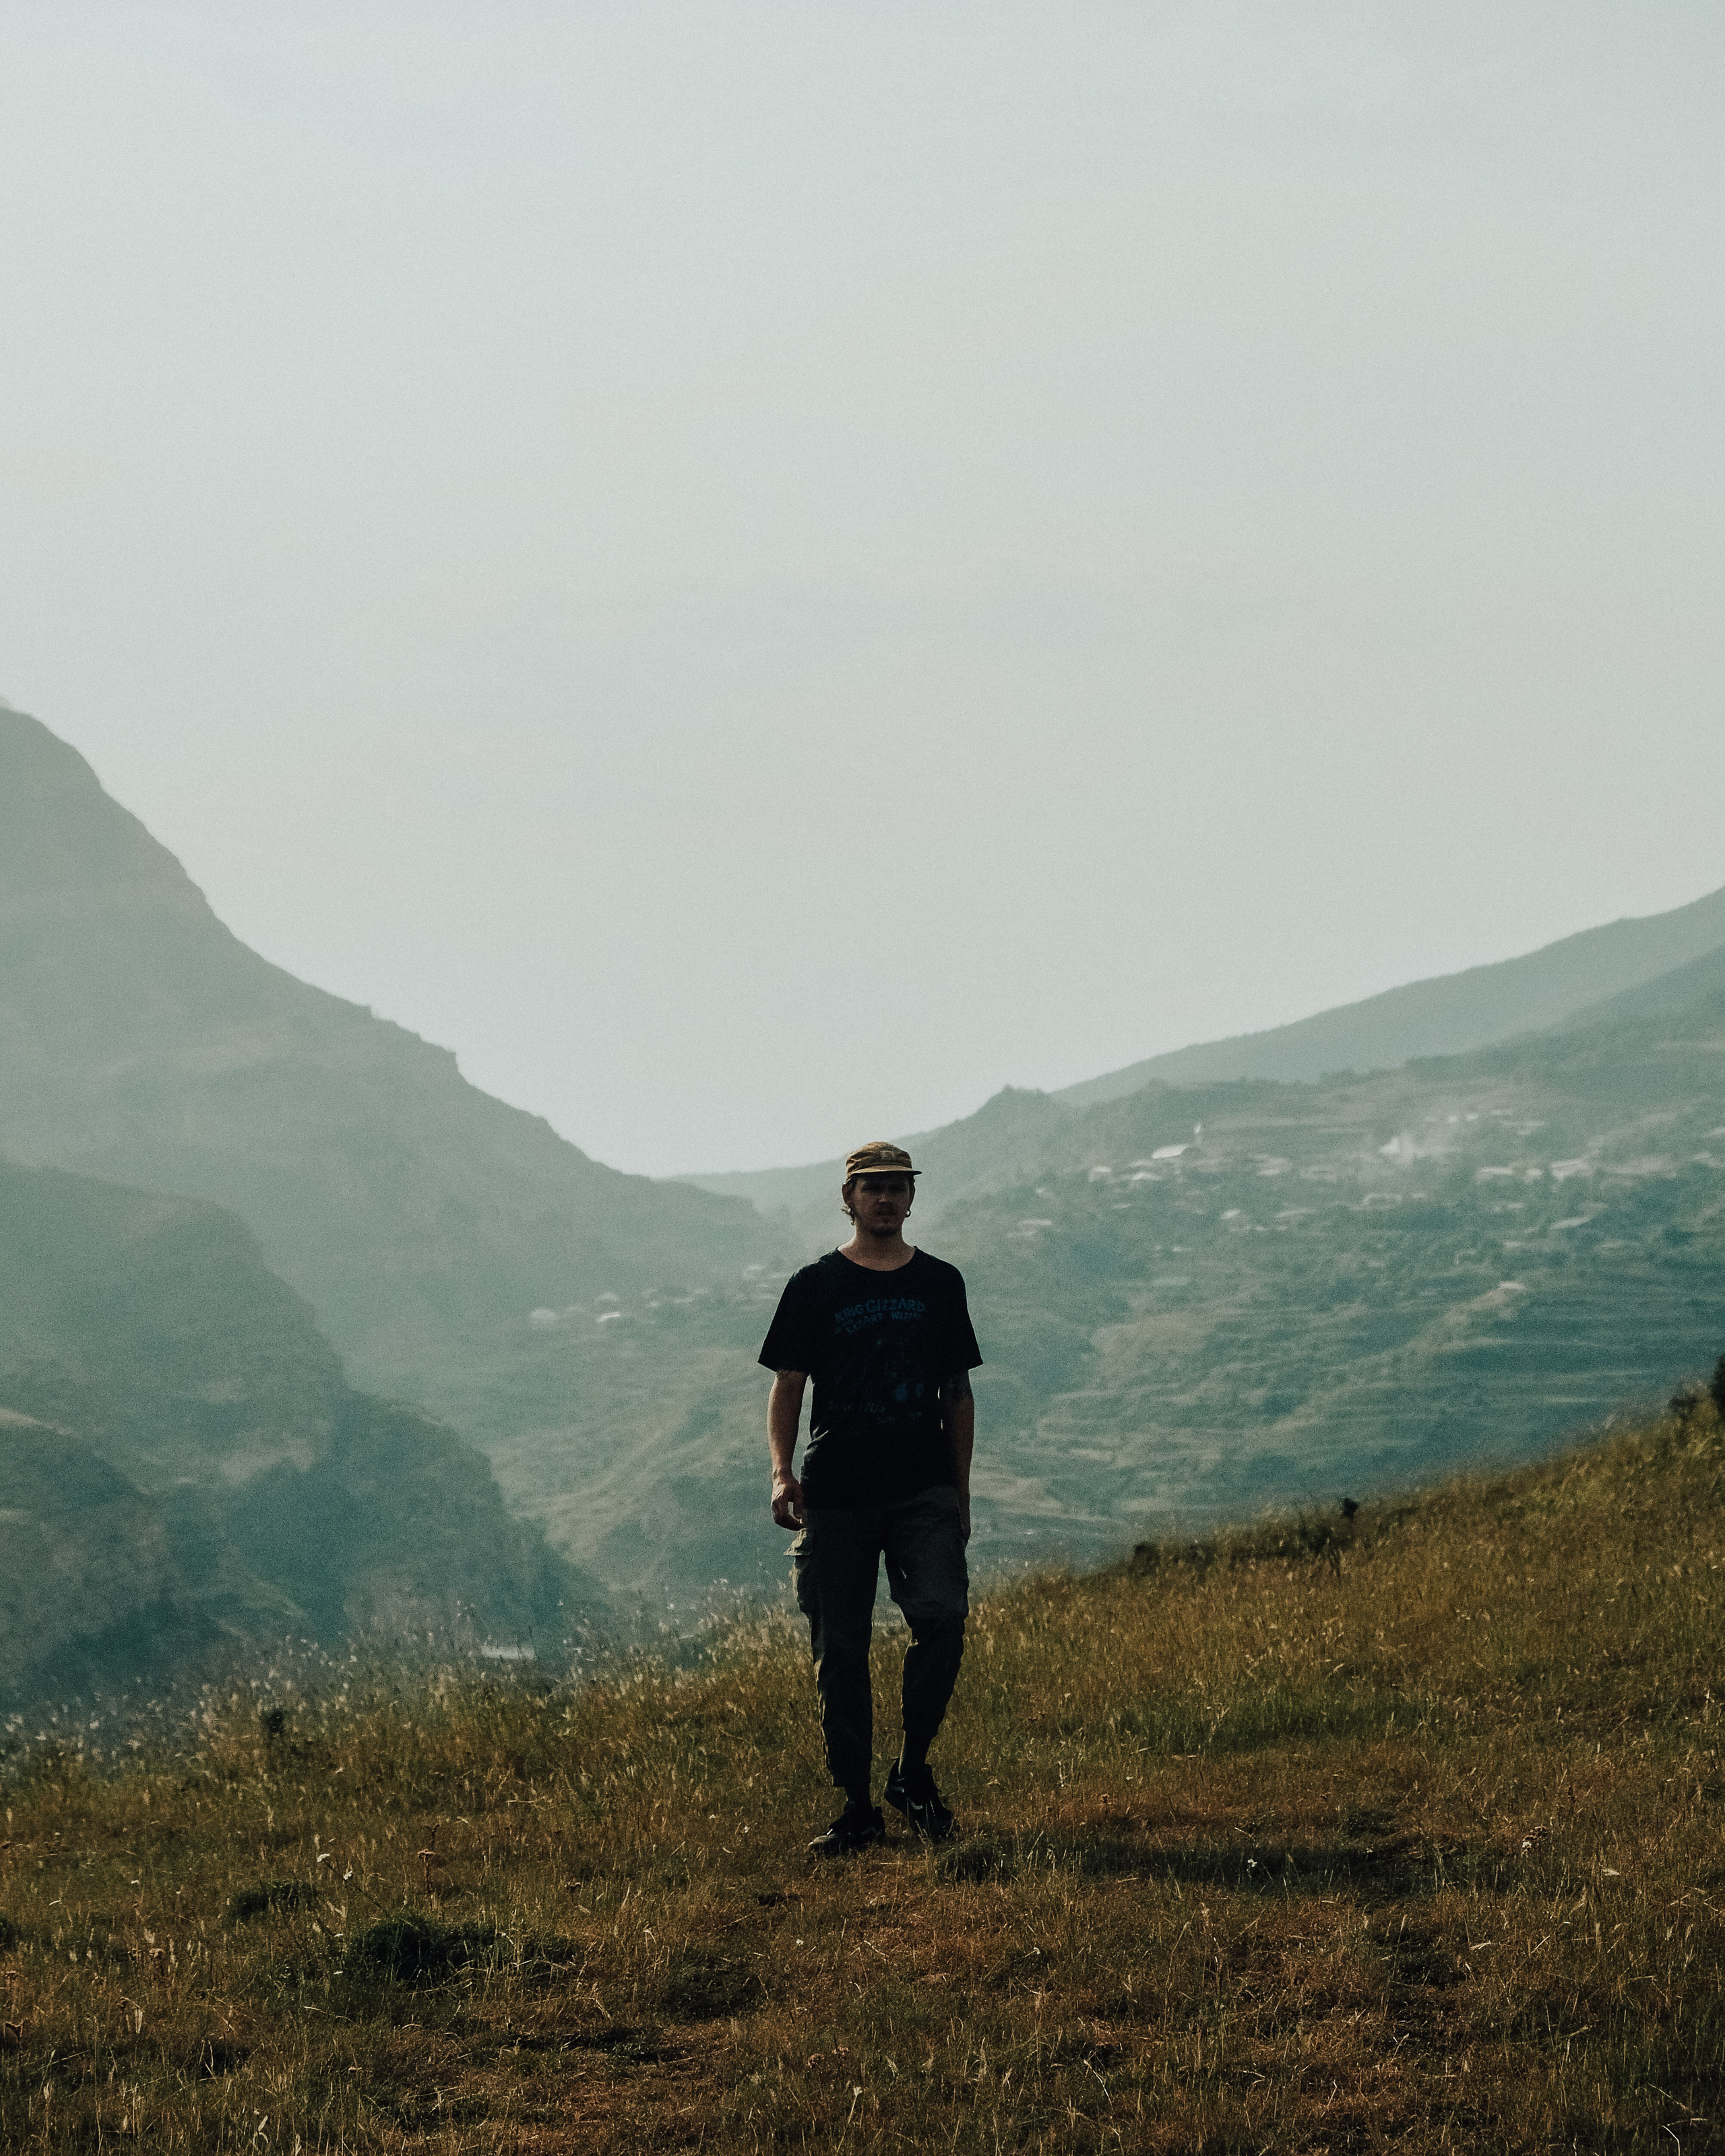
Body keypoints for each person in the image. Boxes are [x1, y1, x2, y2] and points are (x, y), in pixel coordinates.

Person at [759, 1139, 982, 1855]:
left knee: (943, 1616)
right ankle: (855, 1803)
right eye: (872, 1187)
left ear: (912, 1196)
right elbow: (787, 1383)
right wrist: (780, 1471)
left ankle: (911, 1771)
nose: (885, 1198)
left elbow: (958, 1391)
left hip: (921, 1486)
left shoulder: (941, 1283)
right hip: (836, 1494)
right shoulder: (814, 1284)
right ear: (848, 1198)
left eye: (897, 1186)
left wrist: (961, 1491)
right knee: (841, 1649)